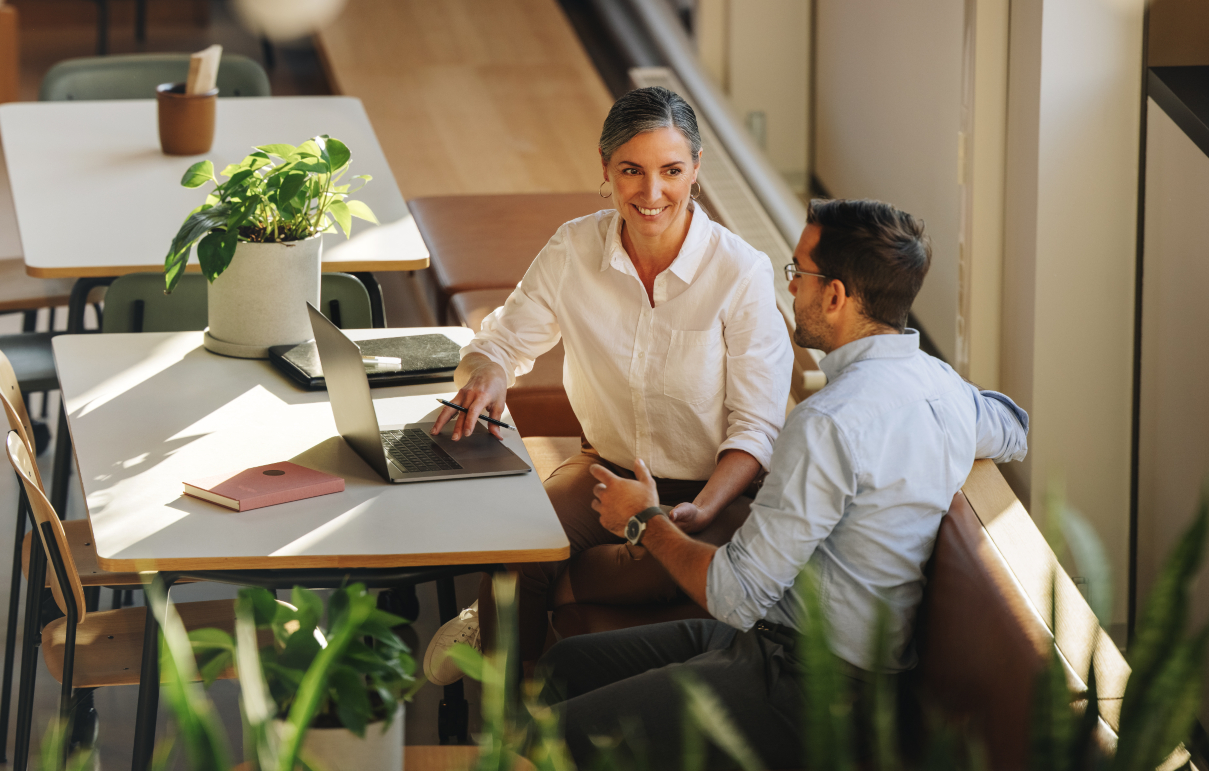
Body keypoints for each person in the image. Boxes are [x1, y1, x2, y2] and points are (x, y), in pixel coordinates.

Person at [533, 198, 1031, 768]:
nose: (789, 288)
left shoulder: (827, 424)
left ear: (836, 296)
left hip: (810, 689)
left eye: (798, 273)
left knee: (558, 734)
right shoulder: (940, 385)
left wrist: (643, 519)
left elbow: (733, 594)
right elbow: (1013, 428)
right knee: (564, 666)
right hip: (786, 645)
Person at [422, 86, 794, 684]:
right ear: (606, 170)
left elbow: (756, 429)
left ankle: (537, 594)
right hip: (606, 471)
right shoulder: (573, 248)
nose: (652, 193)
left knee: (677, 561)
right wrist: (489, 373)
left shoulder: (740, 272)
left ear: (696, 170)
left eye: (672, 171)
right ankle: (507, 726)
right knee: (516, 542)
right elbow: (502, 342)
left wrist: (695, 511)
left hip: (716, 491)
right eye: (632, 171)